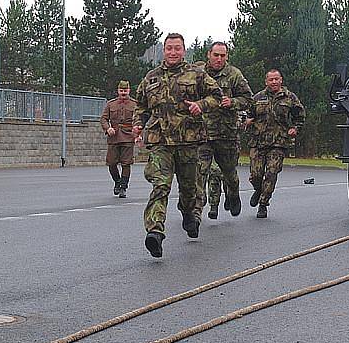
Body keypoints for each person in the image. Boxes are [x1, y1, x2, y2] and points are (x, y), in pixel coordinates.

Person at [132, 33, 222, 257]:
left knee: (189, 188)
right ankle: (155, 232)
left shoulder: (196, 74)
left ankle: (188, 212)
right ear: (164, 50)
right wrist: (138, 125)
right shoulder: (151, 78)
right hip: (159, 141)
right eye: (169, 48)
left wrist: (201, 105)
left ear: (184, 51)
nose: (173, 52)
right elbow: (141, 106)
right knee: (161, 185)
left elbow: (217, 96)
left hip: (188, 141)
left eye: (177, 48)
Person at [193, 42, 253, 220]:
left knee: (229, 174)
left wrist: (233, 102)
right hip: (202, 134)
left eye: (223, 55)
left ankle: (233, 195)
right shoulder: (197, 73)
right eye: (216, 55)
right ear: (208, 55)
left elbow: (248, 99)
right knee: (199, 174)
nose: (219, 59)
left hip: (226, 135)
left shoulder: (233, 74)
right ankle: (195, 215)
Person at [246, 68, 305, 218]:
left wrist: (294, 128)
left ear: (281, 80)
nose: (274, 82)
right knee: (255, 175)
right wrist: (246, 121)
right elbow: (248, 114)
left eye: (276, 79)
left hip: (278, 142)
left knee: (271, 174)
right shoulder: (258, 97)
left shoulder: (290, 97)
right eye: (271, 79)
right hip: (258, 142)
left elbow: (300, 116)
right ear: (266, 81)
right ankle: (258, 190)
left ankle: (263, 204)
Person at [100, 80, 137, 198]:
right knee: (111, 163)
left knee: (126, 164)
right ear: (118, 91)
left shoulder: (134, 104)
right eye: (121, 91)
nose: (123, 93)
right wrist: (107, 128)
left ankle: (123, 187)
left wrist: (138, 134)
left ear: (129, 90)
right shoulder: (111, 104)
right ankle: (117, 181)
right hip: (114, 137)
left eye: (125, 90)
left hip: (128, 136)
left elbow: (138, 120)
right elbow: (103, 119)